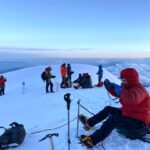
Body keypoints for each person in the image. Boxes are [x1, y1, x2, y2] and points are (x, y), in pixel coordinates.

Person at [79, 68, 150, 148]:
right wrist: (110, 88)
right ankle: (89, 123)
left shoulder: (139, 90)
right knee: (108, 109)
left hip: (138, 123)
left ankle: (92, 140)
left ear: (130, 79)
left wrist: (119, 89)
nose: (122, 81)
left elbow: (130, 99)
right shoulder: (128, 88)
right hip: (130, 114)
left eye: (124, 79)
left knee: (114, 118)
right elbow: (121, 94)